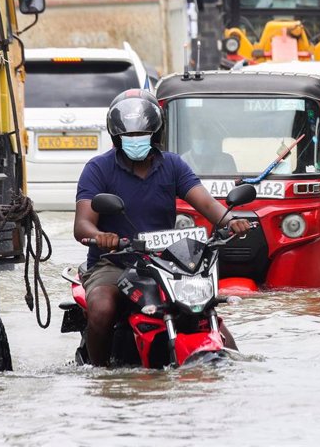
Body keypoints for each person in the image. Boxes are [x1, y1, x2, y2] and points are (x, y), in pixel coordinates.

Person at [73, 89, 251, 367]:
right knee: (102, 309)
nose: (135, 142)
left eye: (141, 136)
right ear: (116, 137)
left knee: (204, 310)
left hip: (163, 262)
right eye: (129, 137)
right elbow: (82, 225)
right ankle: (99, 373)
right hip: (114, 261)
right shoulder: (98, 169)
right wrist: (102, 238)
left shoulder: (173, 165)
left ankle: (235, 368)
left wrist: (230, 221)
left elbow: (207, 203)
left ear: (156, 134)